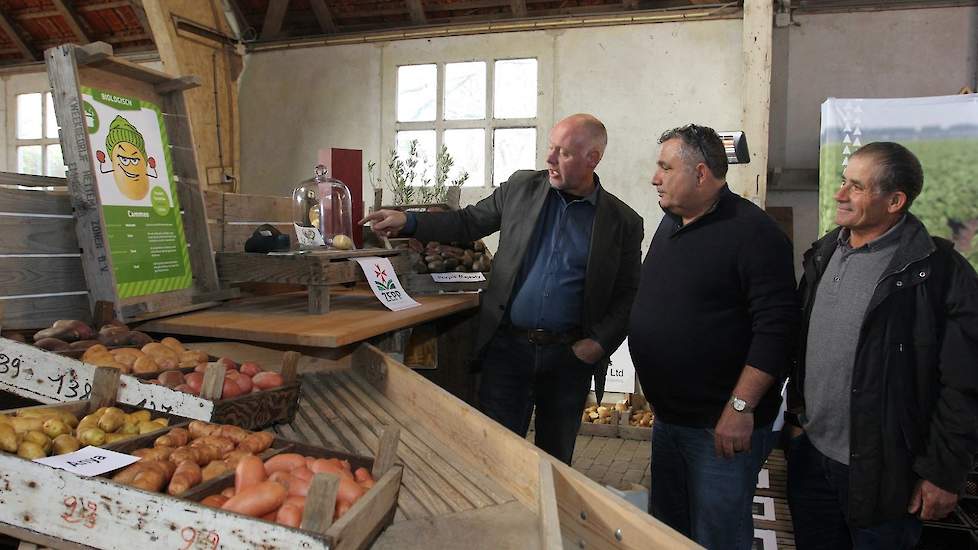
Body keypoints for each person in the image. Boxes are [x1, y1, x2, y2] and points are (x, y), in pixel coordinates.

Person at [361, 114, 643, 464]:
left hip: (568, 359)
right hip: (508, 350)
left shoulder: (622, 221)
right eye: (550, 148)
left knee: (554, 462)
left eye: (564, 153)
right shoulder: (521, 188)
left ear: (593, 159)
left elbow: (630, 293)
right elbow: (467, 221)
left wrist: (597, 344)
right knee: (496, 457)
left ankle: (545, 518)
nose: (550, 159)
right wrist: (411, 221)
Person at [784, 142, 978, 550]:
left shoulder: (938, 273)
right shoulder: (824, 253)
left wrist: (943, 473)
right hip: (813, 459)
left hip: (886, 477)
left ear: (894, 200)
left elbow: (964, 386)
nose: (839, 195)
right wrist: (799, 420)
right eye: (843, 181)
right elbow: (803, 342)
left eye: (855, 186)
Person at [628, 124, 798, 549]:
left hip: (720, 426)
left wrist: (741, 406)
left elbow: (776, 331)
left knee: (718, 534)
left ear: (701, 174)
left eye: (666, 168)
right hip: (671, 419)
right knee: (671, 530)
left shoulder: (755, 234)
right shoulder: (671, 224)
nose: (655, 177)